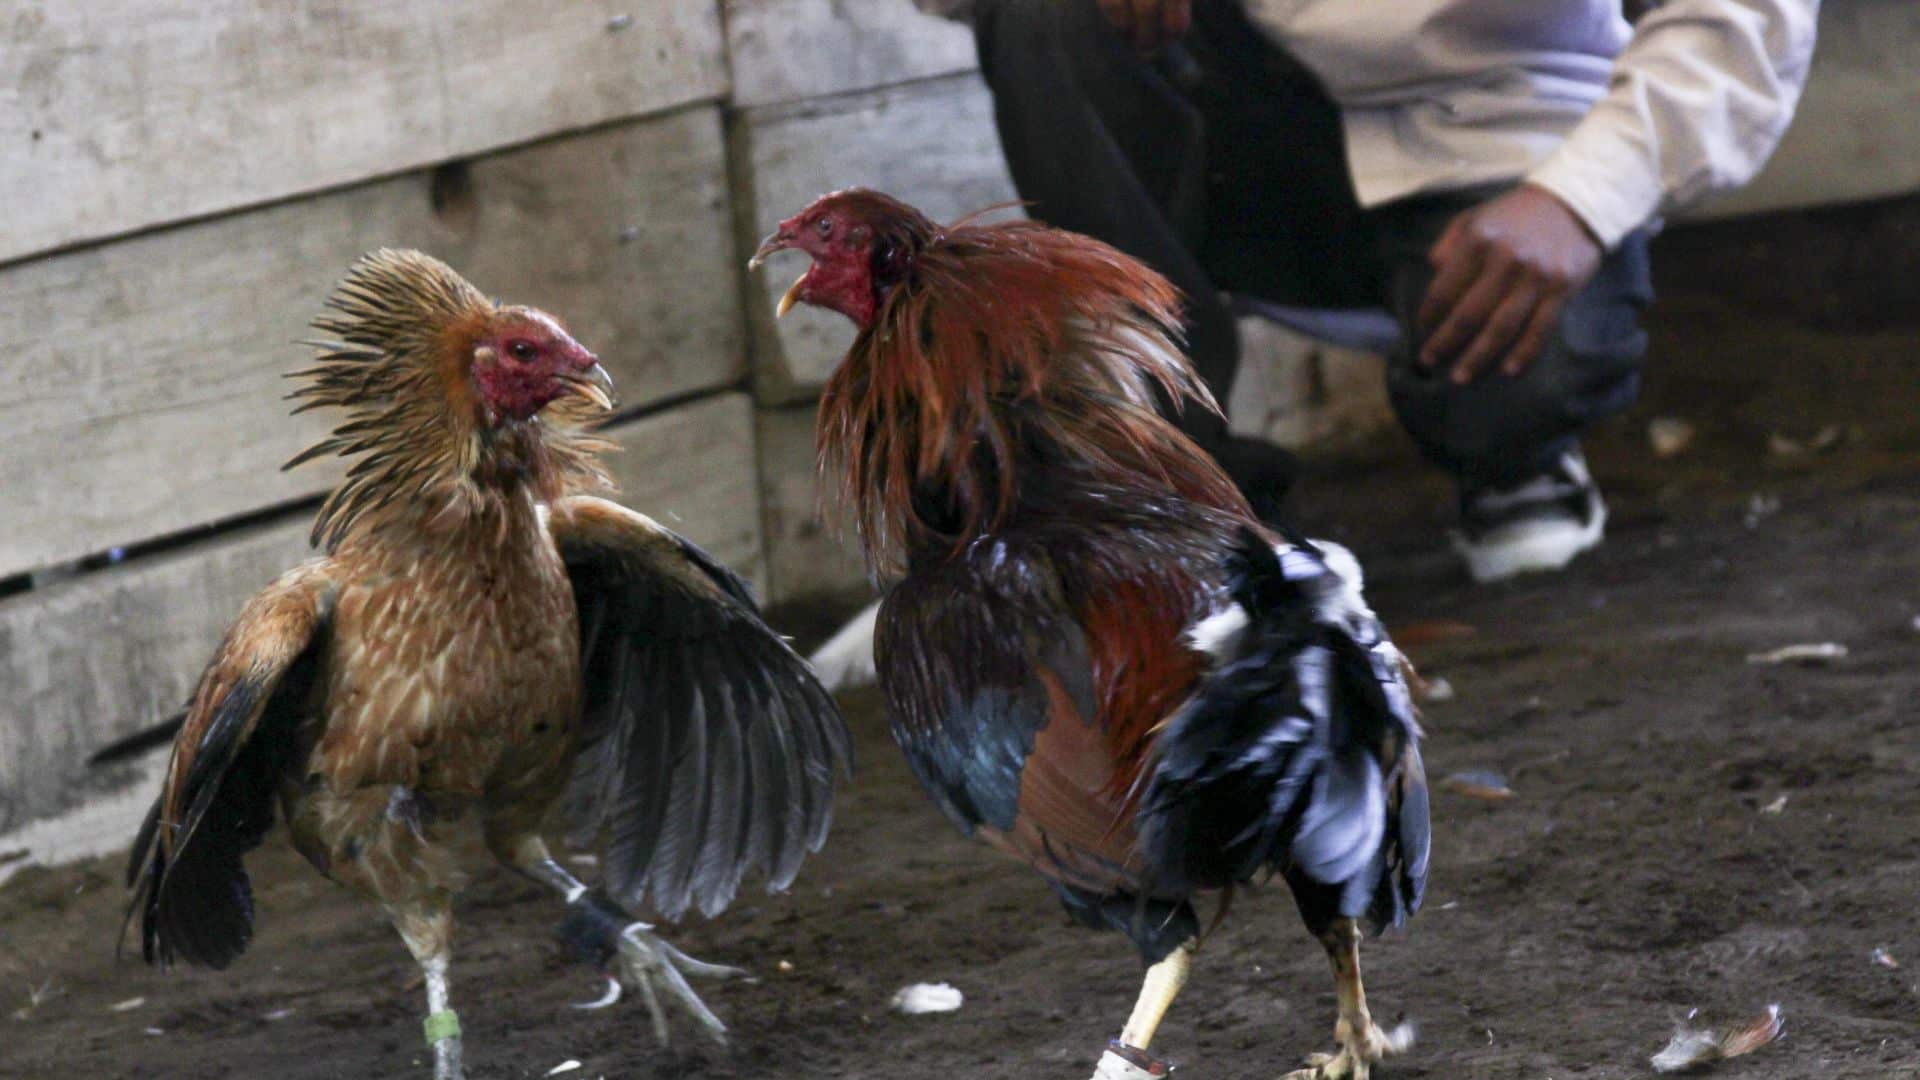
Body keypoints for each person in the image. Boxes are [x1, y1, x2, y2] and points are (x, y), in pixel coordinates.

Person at [927, 0, 1818, 582]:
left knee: (1526, 378)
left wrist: (1580, 200)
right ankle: (1169, 501)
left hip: (1497, 133)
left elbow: (1741, 14)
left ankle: (1515, 456)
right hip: (1233, 124)